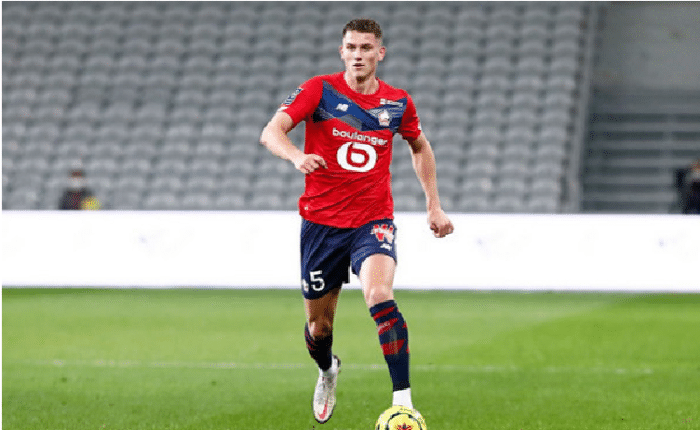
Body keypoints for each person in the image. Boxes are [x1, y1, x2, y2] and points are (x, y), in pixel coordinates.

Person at [260, 18, 454, 423]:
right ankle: (328, 369)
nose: (358, 55)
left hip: (372, 219)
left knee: (379, 295)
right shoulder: (319, 90)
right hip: (321, 224)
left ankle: (403, 402)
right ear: (341, 52)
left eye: (366, 48)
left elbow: (420, 147)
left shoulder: (397, 102)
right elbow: (272, 131)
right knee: (319, 329)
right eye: (351, 47)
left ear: (380, 53)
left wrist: (433, 205)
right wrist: (297, 155)